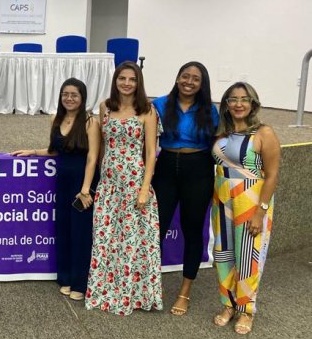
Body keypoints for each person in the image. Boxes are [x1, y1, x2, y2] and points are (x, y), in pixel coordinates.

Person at [85, 61, 162, 315]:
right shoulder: (105, 106)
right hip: (109, 184)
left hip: (134, 183)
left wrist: (144, 188)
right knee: (106, 239)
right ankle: (105, 292)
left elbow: (150, 152)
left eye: (132, 79)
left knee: (131, 241)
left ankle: (132, 295)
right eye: (122, 78)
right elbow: (102, 146)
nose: (127, 83)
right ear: (115, 80)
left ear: (138, 82)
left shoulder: (147, 110)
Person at [12, 78, 99, 300]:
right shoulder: (56, 119)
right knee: (65, 229)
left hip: (83, 183)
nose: (69, 98)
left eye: (74, 95)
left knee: (81, 233)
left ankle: (81, 282)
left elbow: (92, 157)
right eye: (65, 94)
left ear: (82, 98)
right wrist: (32, 151)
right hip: (62, 182)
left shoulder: (90, 122)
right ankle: (67, 278)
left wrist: (86, 189)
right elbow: (55, 150)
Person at [211, 82, 280, 335]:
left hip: (251, 201)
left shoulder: (264, 133)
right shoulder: (222, 134)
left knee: (248, 256)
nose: (238, 104)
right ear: (226, 105)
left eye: (244, 99)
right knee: (223, 253)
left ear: (253, 103)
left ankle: (246, 310)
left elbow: (272, 175)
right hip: (221, 201)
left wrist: (261, 211)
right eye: (233, 99)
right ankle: (228, 304)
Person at [152, 62, 219, 316]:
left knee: (192, 230)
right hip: (166, 166)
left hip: (198, 169)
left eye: (196, 79)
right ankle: (148, 285)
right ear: (177, 77)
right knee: (156, 228)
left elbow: (218, 142)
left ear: (202, 84)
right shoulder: (159, 104)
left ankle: (184, 292)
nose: (189, 82)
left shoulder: (209, 111)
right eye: (185, 76)